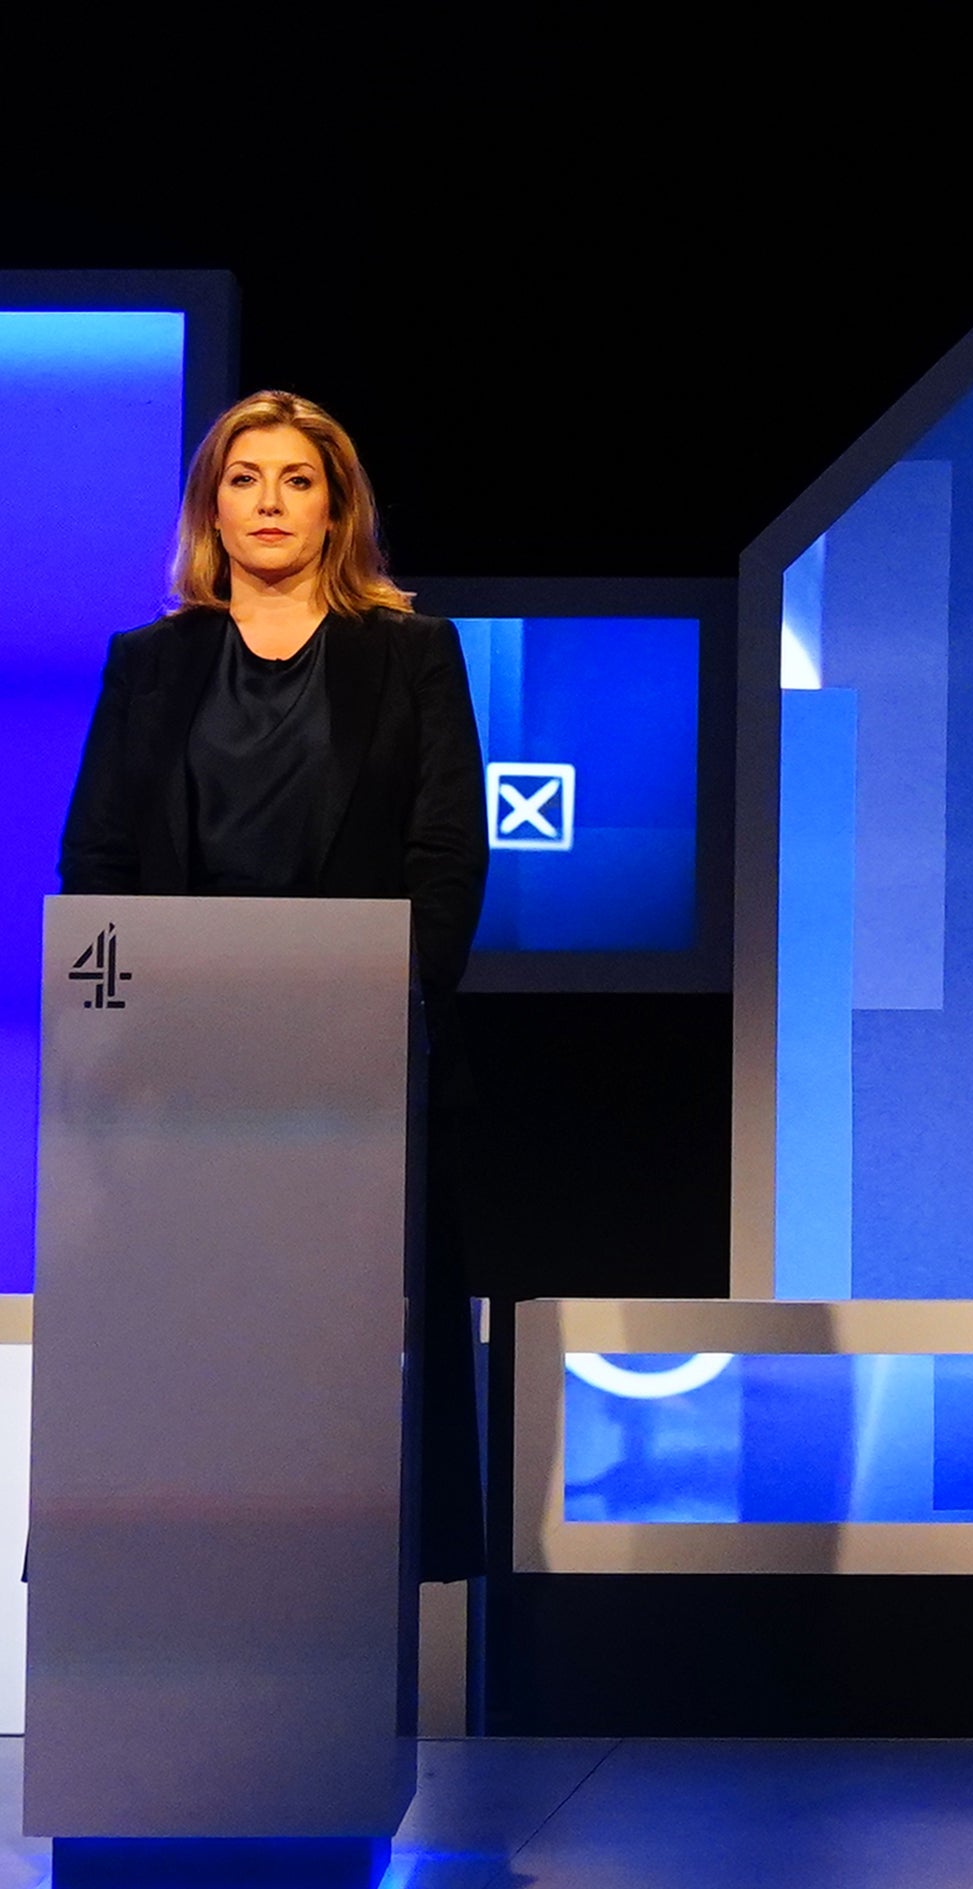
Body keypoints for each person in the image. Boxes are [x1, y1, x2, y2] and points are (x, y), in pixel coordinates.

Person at [58, 390, 491, 1578]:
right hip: (175, 1084)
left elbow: (446, 852)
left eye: (297, 479)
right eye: (245, 478)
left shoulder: (410, 652)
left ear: (336, 506)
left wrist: (392, 1013)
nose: (268, 503)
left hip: (350, 1076)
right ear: (211, 503)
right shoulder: (149, 663)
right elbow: (96, 855)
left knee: (337, 1363)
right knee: (185, 1357)